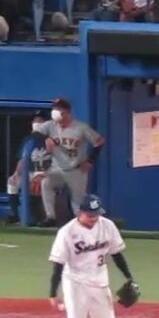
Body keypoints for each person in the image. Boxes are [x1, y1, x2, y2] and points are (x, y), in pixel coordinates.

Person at [48, 194, 135, 318]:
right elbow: (58, 265)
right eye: (90, 215)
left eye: (96, 214)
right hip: (75, 284)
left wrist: (129, 277)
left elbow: (117, 254)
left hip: (100, 283)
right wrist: (53, 292)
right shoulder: (67, 232)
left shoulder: (107, 226)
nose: (94, 218)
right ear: (79, 213)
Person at [37, 97, 105, 227]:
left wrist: (91, 160)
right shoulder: (50, 125)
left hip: (76, 169)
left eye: (59, 109)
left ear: (67, 112)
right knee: (46, 183)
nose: (55, 112)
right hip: (57, 168)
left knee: (77, 203)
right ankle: (50, 217)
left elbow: (99, 141)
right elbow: (34, 134)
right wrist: (45, 138)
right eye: (54, 109)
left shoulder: (80, 127)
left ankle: (82, 223)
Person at [6, 113, 52, 225]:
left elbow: (58, 161)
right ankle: (14, 214)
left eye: (40, 121)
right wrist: (16, 173)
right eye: (35, 121)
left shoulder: (52, 139)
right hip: (30, 171)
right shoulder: (28, 139)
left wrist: (44, 174)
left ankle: (46, 217)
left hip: (47, 172)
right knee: (12, 182)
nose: (36, 123)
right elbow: (22, 159)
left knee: (42, 184)